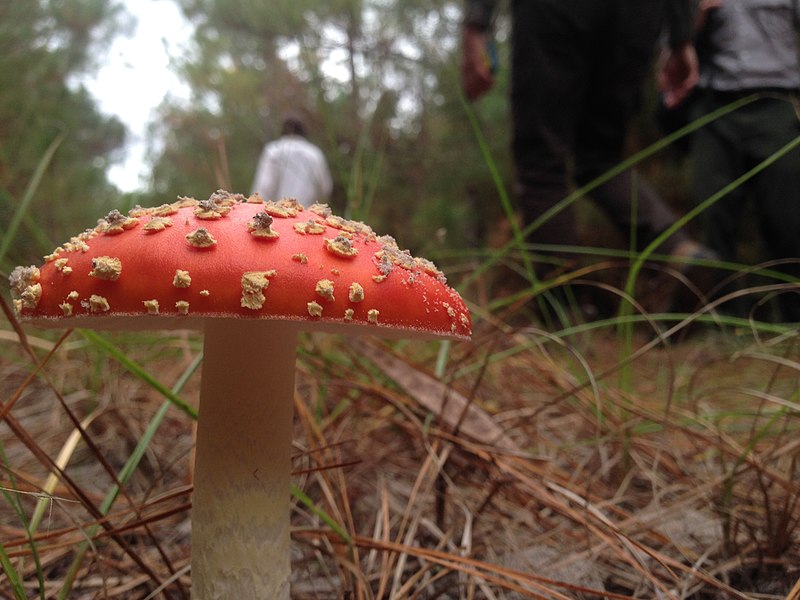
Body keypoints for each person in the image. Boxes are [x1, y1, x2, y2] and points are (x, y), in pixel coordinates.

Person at [461, 0, 714, 312]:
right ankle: (679, 252)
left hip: (553, 12)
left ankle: (565, 309)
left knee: (542, 161)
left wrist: (476, 24)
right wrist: (681, 37)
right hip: (638, 14)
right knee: (601, 158)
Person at [688, 0, 800, 320]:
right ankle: (726, 321)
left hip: (776, 103)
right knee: (713, 215)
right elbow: (671, 44)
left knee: (787, 218)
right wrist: (696, 14)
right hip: (715, 106)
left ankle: (792, 319)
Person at [251, 114, 333, 208]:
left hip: (275, 215)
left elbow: (264, 187)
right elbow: (325, 189)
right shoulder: (314, 153)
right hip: (309, 217)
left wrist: (257, 211)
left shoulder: (273, 150)